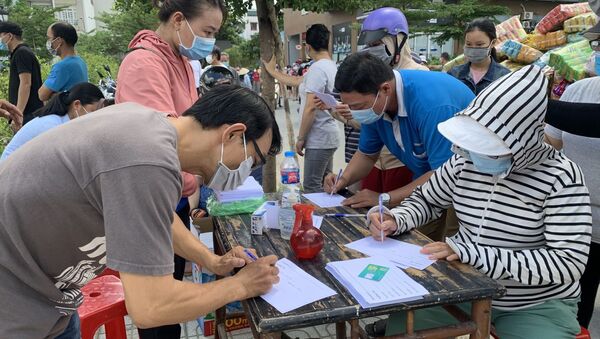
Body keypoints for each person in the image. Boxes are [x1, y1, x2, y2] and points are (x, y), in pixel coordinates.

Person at [0, 85, 282, 339]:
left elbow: (153, 216)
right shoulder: (147, 161)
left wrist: (212, 261)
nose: (246, 171)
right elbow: (150, 306)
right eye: (252, 160)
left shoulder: (147, 129)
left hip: (52, 297)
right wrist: (242, 286)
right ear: (233, 134)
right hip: (14, 303)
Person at [368, 65, 591, 338]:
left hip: (532, 304)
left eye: (489, 149)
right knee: (403, 325)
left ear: (522, 143)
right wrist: (396, 218)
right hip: (464, 283)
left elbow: (567, 263)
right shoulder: (466, 159)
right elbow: (427, 200)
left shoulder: (561, 177)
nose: (474, 157)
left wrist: (476, 255)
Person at [116, 0, 222, 336]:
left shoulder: (180, 62)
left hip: (171, 194)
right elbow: (164, 140)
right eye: (207, 32)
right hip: (149, 196)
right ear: (179, 20)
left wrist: (194, 189)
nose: (210, 41)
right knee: (158, 311)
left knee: (171, 298)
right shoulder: (143, 64)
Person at [325, 53, 474, 241]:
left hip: (467, 185)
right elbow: (367, 154)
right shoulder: (376, 107)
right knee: (414, 238)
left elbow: (442, 174)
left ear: (385, 89)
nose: (354, 112)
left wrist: (384, 198)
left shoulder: (432, 105)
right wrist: (343, 179)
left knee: (455, 246)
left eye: (358, 106)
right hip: (427, 182)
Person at [352, 7, 427, 203]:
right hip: (376, 163)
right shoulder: (371, 77)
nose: (373, 50)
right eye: (369, 45)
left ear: (398, 40)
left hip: (404, 166)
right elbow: (367, 147)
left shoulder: (420, 78)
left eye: (378, 43)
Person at [545, 76, 600, 329]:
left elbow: (590, 120)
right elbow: (553, 145)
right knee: (576, 309)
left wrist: (544, 105)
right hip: (579, 227)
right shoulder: (577, 91)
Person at [1, 83, 105, 160]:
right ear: (77, 105)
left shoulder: (62, 123)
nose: (95, 117)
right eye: (93, 111)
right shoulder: (53, 127)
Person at [448, 18, 510, 95]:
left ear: (493, 43)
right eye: (469, 44)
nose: (473, 48)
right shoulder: (454, 74)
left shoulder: (504, 76)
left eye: (479, 44)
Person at [0, 21, 43, 126]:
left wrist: (18, 114)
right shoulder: (19, 53)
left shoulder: (21, 53)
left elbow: (25, 83)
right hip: (27, 114)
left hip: (28, 114)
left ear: (9, 36)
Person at [38, 22, 88, 102]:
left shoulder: (62, 66)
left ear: (59, 41)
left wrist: (54, 95)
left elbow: (42, 95)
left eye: (49, 38)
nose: (48, 42)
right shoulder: (80, 61)